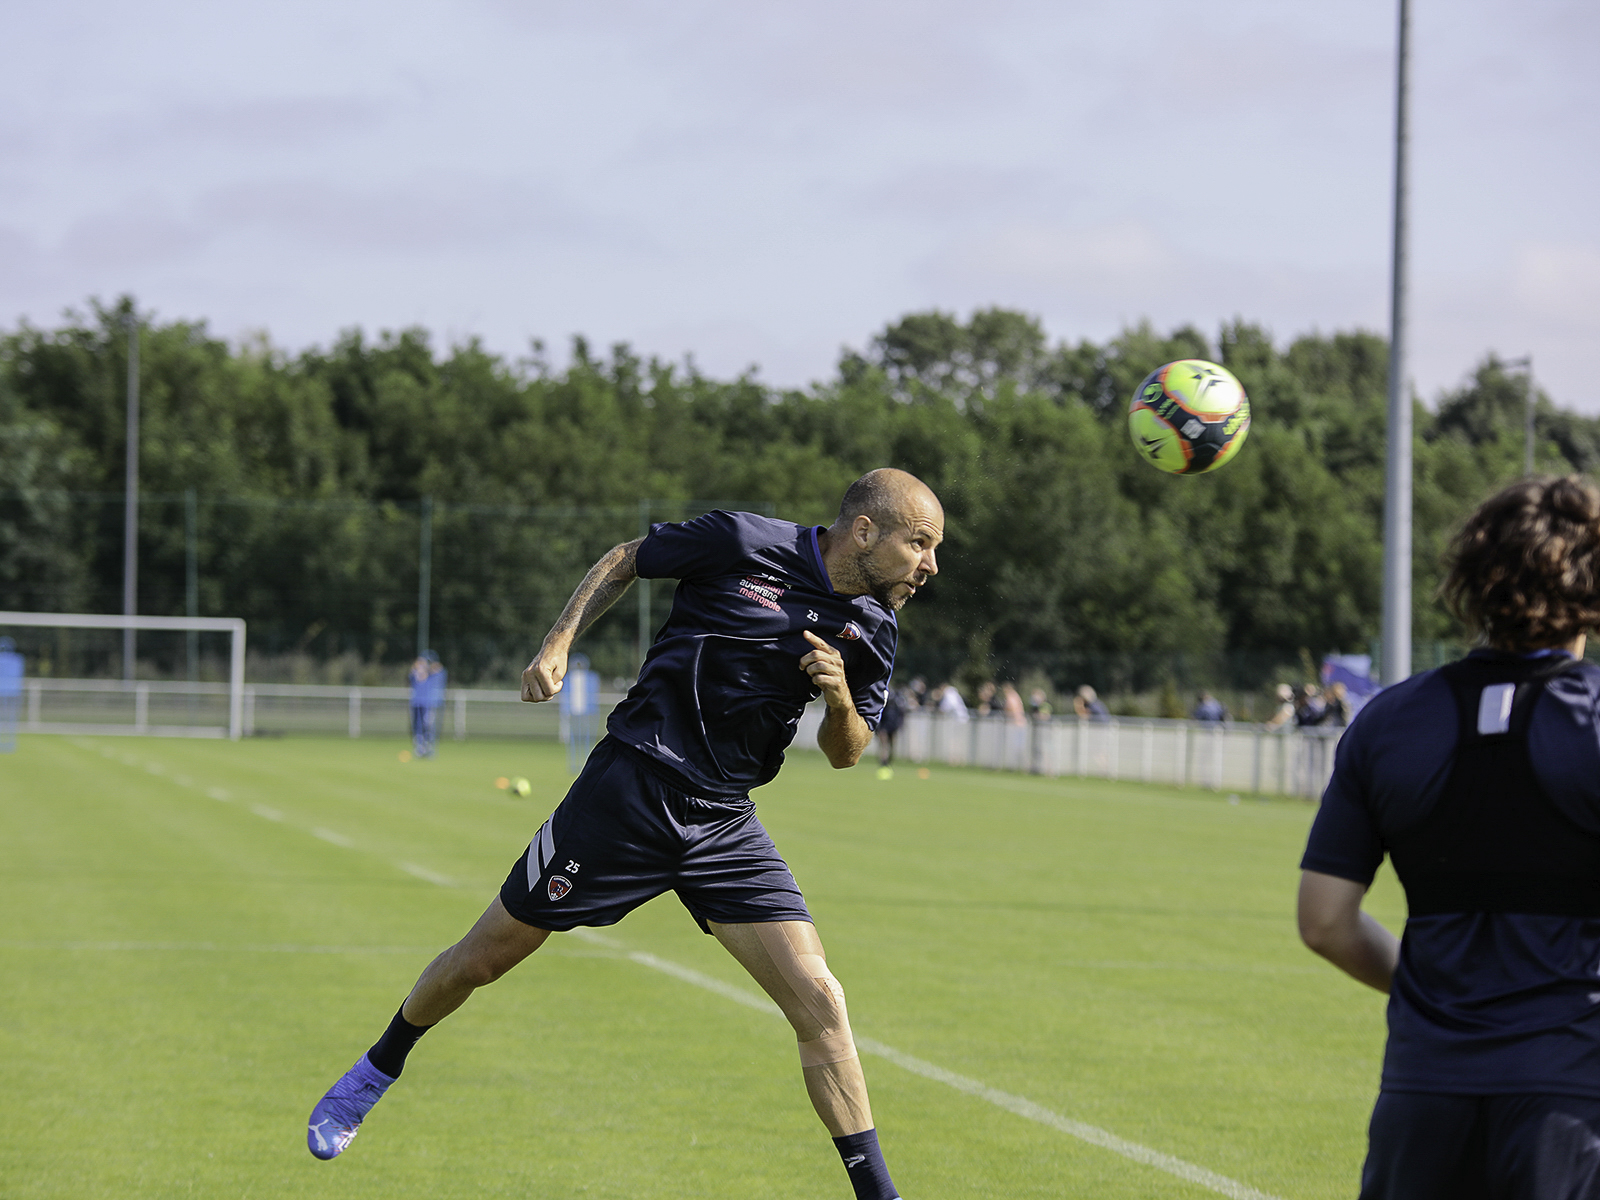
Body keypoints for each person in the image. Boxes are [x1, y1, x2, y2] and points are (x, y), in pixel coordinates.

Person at [307, 468, 943, 1200]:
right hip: (627, 792)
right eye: (919, 544)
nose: (931, 565)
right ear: (864, 531)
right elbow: (624, 559)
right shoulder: (743, 541)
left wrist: (838, 699)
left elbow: (847, 752)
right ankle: (377, 1067)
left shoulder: (875, 627)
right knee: (481, 960)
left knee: (821, 1002)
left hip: (723, 823)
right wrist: (559, 641)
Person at [1297, 476, 1600, 1198]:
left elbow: (1324, 922)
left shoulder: (1388, 721)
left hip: (1422, 1092)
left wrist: (1432, 993)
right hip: (1570, 1098)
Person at [408, 651, 446, 757]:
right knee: (417, 726)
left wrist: (427, 668)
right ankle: (420, 747)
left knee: (428, 726)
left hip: (428, 704)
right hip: (417, 702)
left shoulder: (434, 672)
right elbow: (412, 676)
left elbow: (439, 671)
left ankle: (429, 747)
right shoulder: (416, 672)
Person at [875, 683, 906, 777]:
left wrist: (899, 725)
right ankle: (883, 763)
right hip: (884, 725)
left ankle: (888, 762)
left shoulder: (897, 700)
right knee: (884, 745)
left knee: (892, 746)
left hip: (893, 725)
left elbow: (901, 714)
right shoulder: (884, 700)